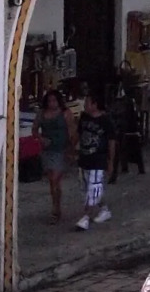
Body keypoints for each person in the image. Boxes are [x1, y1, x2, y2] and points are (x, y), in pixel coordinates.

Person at [74, 91, 116, 232]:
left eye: (87, 102)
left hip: (98, 160)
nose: (85, 105)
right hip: (84, 158)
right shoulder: (84, 118)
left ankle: (86, 217)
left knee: (94, 187)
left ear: (95, 105)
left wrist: (110, 161)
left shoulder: (105, 121)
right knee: (86, 189)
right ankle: (104, 209)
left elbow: (111, 141)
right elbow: (79, 135)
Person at [31, 89, 71, 225]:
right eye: (50, 101)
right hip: (47, 150)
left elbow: (72, 131)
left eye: (54, 100)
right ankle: (56, 205)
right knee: (52, 182)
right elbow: (34, 130)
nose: (52, 103)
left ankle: (55, 209)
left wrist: (71, 149)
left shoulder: (65, 114)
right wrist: (41, 139)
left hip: (61, 150)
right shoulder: (42, 114)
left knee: (55, 179)